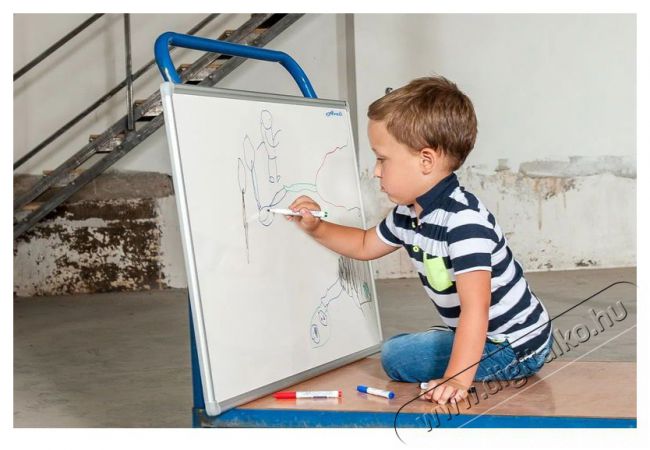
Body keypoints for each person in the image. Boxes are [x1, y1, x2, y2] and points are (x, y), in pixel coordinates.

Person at [287, 76, 553, 406]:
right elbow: (365, 245)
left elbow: (476, 308)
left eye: (382, 159)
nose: (376, 171)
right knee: (402, 352)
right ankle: (458, 344)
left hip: (518, 345)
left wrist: (457, 379)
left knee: (397, 357)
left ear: (426, 161)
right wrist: (316, 227)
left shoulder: (463, 222)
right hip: (491, 335)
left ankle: (468, 352)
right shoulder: (408, 213)